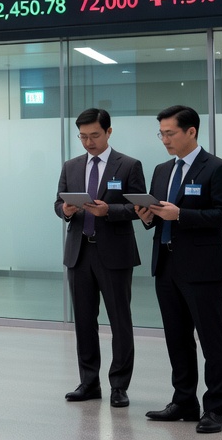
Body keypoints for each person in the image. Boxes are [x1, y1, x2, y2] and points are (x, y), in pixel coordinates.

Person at [135, 105, 222, 435]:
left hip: (203, 268)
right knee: (177, 339)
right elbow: (158, 215)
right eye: (161, 133)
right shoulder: (163, 169)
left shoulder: (217, 169)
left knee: (211, 340)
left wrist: (180, 215)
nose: (164, 139)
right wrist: (147, 216)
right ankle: (184, 401)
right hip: (166, 265)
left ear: (191, 132)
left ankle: (215, 410)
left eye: (170, 133)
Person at [54, 108, 146, 407]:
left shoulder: (129, 165)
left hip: (114, 252)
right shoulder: (71, 166)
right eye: (83, 136)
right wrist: (65, 210)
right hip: (79, 252)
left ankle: (119, 385)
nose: (88, 142)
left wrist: (111, 210)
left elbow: (141, 207)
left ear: (108, 132)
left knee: (120, 320)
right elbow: (59, 202)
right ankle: (88, 382)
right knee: (83, 320)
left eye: (94, 135)